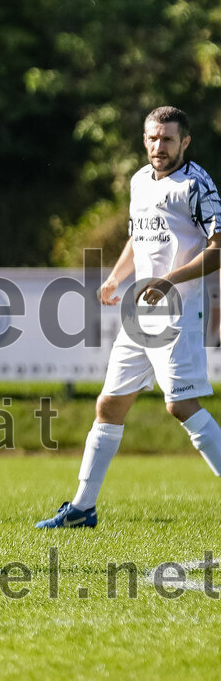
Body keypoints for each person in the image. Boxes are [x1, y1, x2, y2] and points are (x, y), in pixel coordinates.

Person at [37, 106, 221, 528]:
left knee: (179, 405)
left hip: (178, 308)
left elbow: (218, 249)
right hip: (141, 308)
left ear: (185, 142)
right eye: (153, 138)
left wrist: (172, 280)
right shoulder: (139, 180)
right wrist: (116, 278)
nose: (160, 146)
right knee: (109, 404)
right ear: (144, 139)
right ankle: (82, 509)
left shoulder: (196, 184)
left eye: (169, 139)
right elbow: (138, 238)